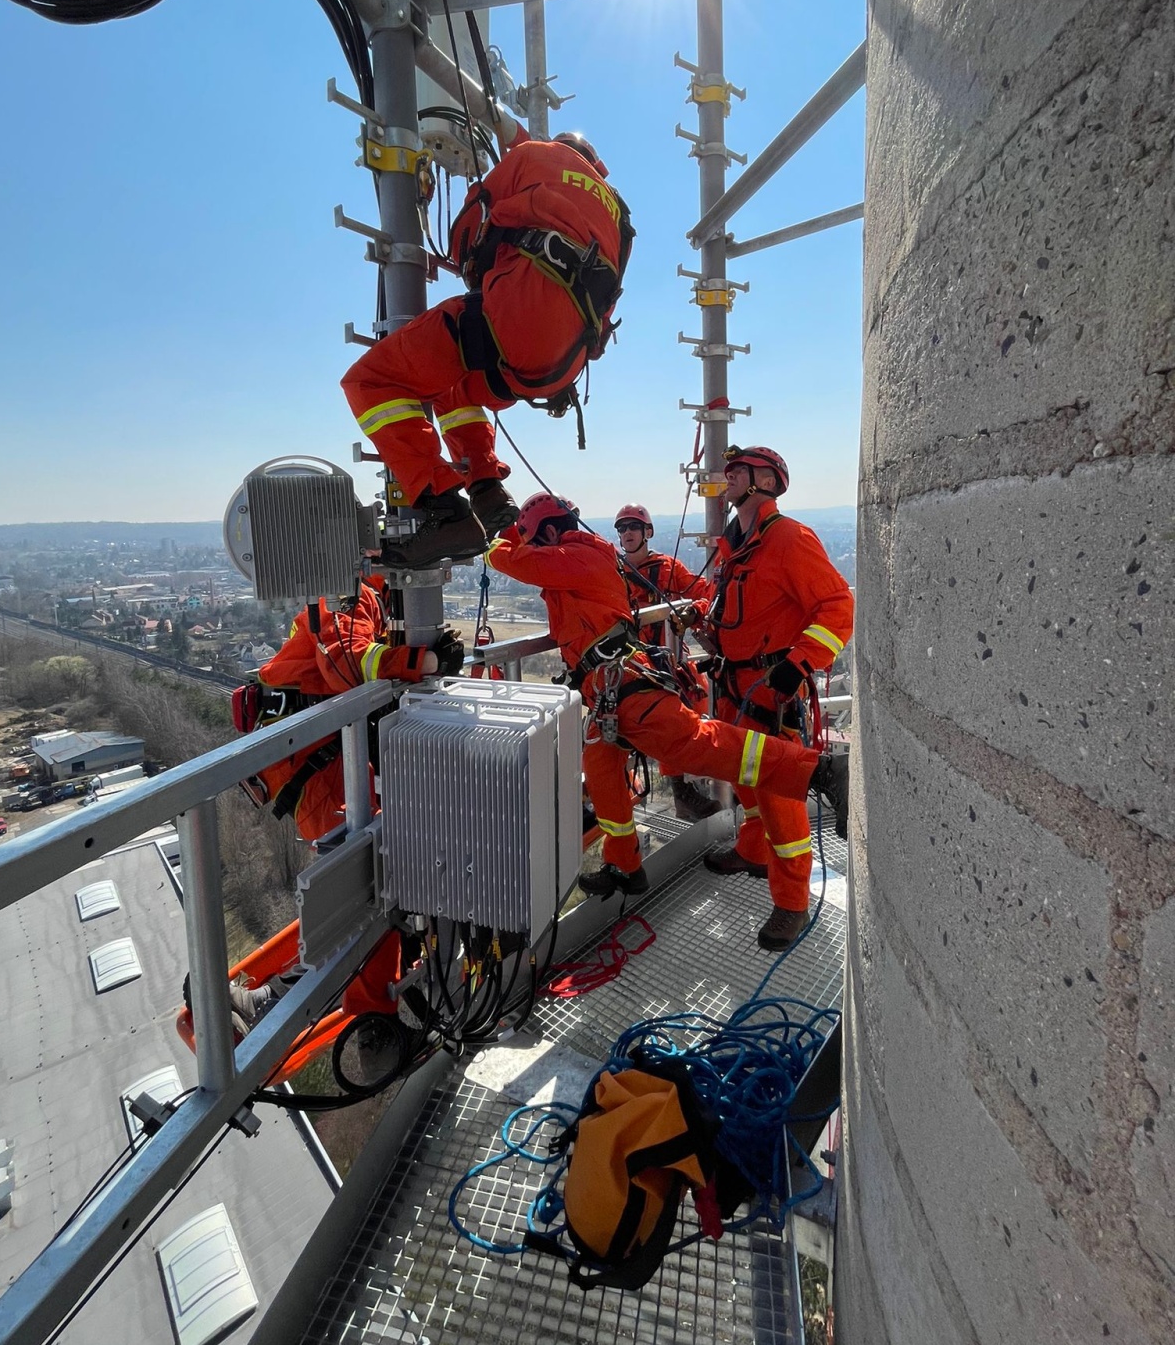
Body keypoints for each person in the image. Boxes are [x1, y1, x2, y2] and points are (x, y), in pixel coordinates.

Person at [486, 493, 848, 945]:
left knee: (696, 744)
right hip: (614, 687)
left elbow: (521, 564)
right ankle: (626, 861)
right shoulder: (735, 551)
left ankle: (820, 771)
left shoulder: (578, 555)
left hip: (642, 680)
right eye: (622, 528)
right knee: (601, 766)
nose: (626, 535)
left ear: (551, 533)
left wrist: (496, 541)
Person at [341, 133, 632, 569]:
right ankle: (485, 487)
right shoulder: (619, 216)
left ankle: (443, 508)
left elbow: (468, 232)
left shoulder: (536, 155)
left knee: (370, 381)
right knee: (451, 385)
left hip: (518, 318)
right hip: (558, 366)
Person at [230, 580, 465, 1039]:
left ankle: (372, 1010)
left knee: (375, 878)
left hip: (325, 761)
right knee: (359, 890)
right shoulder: (349, 595)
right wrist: (428, 661)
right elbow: (347, 660)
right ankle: (274, 1007)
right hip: (316, 770)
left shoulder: (374, 604)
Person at [702, 446, 854, 949]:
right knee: (743, 780)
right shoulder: (737, 547)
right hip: (734, 688)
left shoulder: (789, 539)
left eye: (737, 471)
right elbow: (742, 612)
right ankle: (751, 850)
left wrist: (799, 662)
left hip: (772, 694)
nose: (728, 478)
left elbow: (837, 606)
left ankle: (792, 903)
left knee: (779, 800)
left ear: (765, 481)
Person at [614, 502, 719, 822]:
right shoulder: (613, 572)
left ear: (647, 532)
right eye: (621, 528)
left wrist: (693, 612)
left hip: (667, 659)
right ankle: (678, 790)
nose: (627, 533)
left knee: (696, 703)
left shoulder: (666, 568)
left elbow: (705, 592)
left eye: (633, 527)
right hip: (633, 664)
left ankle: (688, 785)